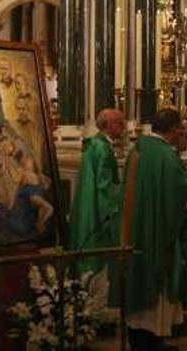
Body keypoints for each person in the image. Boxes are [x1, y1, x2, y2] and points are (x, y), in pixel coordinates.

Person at [118, 108, 187, 350]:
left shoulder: (137, 150)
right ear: (173, 130)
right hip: (157, 234)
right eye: (180, 129)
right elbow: (181, 190)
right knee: (156, 284)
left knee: (137, 281)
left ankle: (138, 339)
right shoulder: (165, 155)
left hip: (135, 229)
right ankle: (153, 341)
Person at [69, 108, 125, 274]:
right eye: (120, 123)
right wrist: (122, 196)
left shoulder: (95, 144)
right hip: (96, 208)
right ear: (108, 125)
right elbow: (104, 187)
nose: (124, 127)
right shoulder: (102, 149)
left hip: (87, 202)